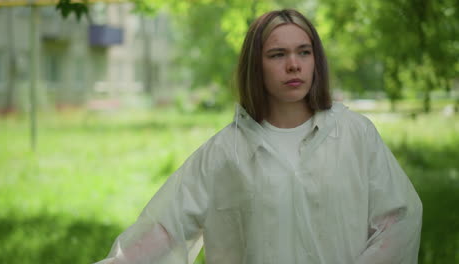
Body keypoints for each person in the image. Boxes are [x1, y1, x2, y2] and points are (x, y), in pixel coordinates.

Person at [94, 9, 422, 264]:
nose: (294, 65)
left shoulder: (354, 135)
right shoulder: (226, 152)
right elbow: (165, 228)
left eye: (304, 52)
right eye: (278, 55)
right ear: (256, 65)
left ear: (315, 60)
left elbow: (399, 219)